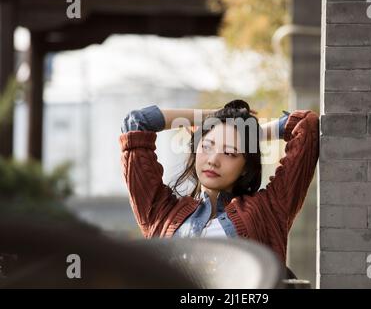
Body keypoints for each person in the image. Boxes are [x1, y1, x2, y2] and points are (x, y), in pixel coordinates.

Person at [120, 99, 319, 267]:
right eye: (206, 146)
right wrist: (212, 116)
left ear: (246, 168)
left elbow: (306, 125)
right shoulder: (160, 212)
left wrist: (251, 134)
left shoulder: (269, 210)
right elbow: (136, 123)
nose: (213, 160)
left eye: (230, 153)